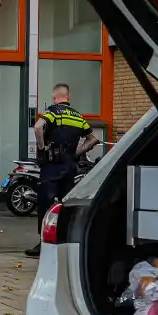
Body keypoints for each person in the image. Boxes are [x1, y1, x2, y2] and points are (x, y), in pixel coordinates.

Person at [25, 83, 102, 257]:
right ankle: (65, 240)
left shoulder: (53, 112)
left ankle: (43, 244)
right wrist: (77, 152)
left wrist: (42, 146)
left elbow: (38, 127)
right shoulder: (77, 116)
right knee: (66, 204)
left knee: (46, 203)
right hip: (70, 166)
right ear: (68, 97)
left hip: (52, 166)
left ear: (54, 96)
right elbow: (93, 139)